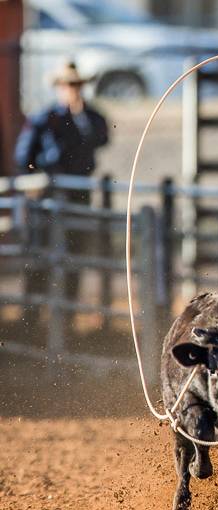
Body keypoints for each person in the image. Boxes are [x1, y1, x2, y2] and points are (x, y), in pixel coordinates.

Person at [14, 62, 109, 328]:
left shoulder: (90, 117)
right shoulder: (44, 119)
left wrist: (80, 116)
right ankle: (31, 319)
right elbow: (24, 157)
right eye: (69, 85)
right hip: (48, 198)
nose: (73, 90)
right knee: (40, 257)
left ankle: (65, 320)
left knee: (73, 256)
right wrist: (33, 182)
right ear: (59, 87)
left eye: (77, 85)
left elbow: (101, 138)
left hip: (77, 195)